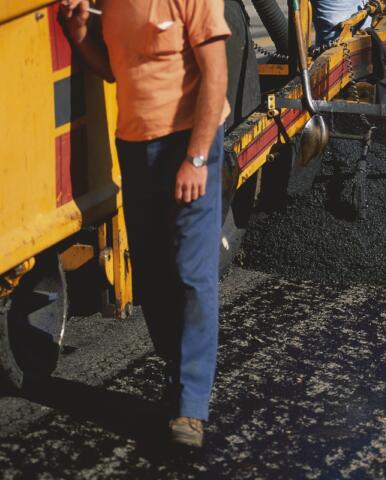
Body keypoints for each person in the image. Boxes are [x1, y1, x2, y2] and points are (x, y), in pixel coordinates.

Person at [61, 0, 230, 448]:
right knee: (153, 276)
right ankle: (178, 381)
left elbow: (216, 72)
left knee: (192, 275)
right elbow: (115, 68)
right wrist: (78, 35)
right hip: (135, 148)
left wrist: (196, 158)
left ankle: (192, 409)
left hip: (191, 143)